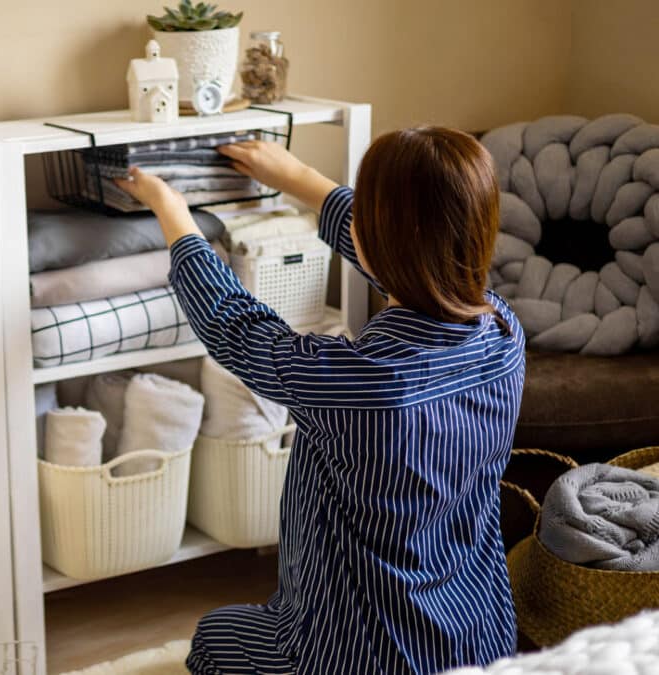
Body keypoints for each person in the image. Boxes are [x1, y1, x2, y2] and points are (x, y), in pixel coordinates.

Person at [115, 127, 525, 674]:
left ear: (379, 239)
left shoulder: (358, 382)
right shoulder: (504, 332)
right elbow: (405, 258)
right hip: (480, 640)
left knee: (213, 640)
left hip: (355, 658)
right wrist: (297, 179)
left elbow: (236, 327)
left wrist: (173, 210)